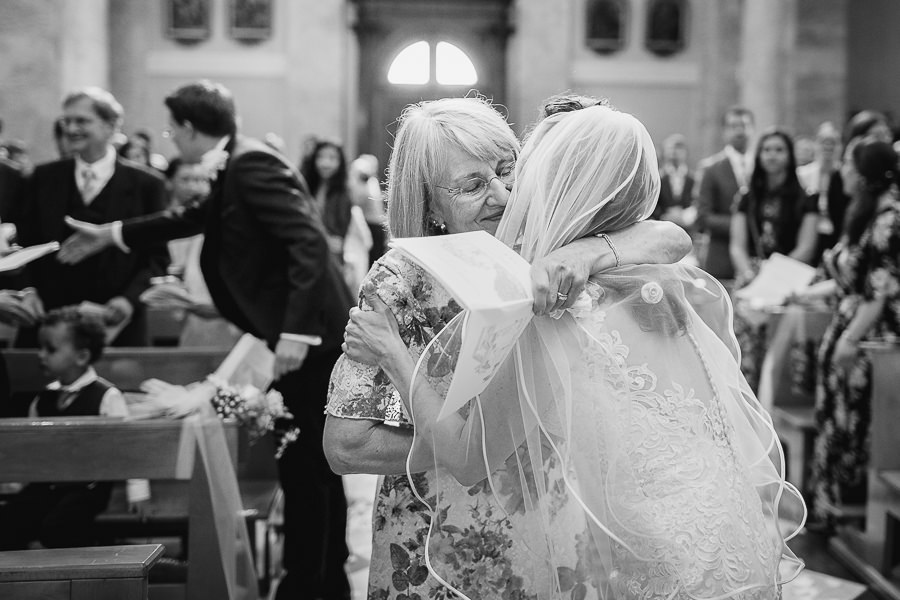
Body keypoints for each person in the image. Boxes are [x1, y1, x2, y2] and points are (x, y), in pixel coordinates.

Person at [323, 95, 698, 599]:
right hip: (441, 535)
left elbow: (669, 237)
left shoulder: (543, 248)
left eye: (506, 171)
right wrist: (485, 444)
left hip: (550, 519)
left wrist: (588, 251)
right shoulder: (400, 282)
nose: (501, 194)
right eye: (473, 185)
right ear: (429, 204)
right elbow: (344, 446)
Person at [57, 79, 355, 600]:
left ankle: (308, 583)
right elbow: (192, 217)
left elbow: (307, 241)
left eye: (173, 128)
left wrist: (296, 331)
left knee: (304, 461)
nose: (170, 136)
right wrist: (114, 234)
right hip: (299, 333)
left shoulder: (250, 163)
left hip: (308, 338)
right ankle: (323, 580)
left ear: (192, 129)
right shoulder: (236, 163)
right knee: (309, 458)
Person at [16, 87, 170, 347]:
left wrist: (128, 300)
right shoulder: (41, 178)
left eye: (82, 121)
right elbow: (23, 246)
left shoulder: (147, 184)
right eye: (67, 121)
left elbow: (157, 258)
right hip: (48, 323)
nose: (71, 129)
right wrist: (27, 291)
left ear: (110, 126)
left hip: (117, 328)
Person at [806, 138, 900, 528]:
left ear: (862, 176)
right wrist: (803, 292)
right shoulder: (866, 214)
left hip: (868, 338)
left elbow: (880, 291)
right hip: (851, 326)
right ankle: (830, 507)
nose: (841, 168)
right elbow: (850, 280)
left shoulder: (890, 221)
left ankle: (850, 514)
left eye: (847, 162)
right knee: (835, 416)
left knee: (853, 421)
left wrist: (849, 340)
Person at [0, 307, 150, 550]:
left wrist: (138, 490)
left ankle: (76, 570)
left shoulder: (106, 396)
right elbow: (31, 446)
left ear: (81, 356)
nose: (41, 355)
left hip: (88, 487)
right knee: (8, 522)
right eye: (40, 347)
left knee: (58, 527)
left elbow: (127, 445)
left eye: (50, 349)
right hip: (49, 483)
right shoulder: (44, 398)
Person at [729, 128, 819, 391]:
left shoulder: (806, 198)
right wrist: (750, 274)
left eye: (779, 150)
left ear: (790, 156)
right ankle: (745, 400)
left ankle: (777, 404)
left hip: (788, 281)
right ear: (759, 155)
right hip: (751, 278)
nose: (772, 155)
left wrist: (775, 275)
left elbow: (806, 247)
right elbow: (737, 245)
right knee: (744, 351)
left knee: (781, 355)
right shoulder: (747, 196)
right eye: (767, 150)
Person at [161, 157, 241, 347]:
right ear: (169, 182)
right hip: (184, 315)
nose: (194, 187)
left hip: (224, 320)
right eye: (186, 179)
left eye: (200, 180)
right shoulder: (165, 220)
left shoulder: (225, 225)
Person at [696, 105, 756, 282]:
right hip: (721, 259)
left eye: (744, 126)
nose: (739, 131)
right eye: (733, 126)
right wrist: (742, 226)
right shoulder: (711, 168)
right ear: (724, 131)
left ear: (752, 129)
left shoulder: (763, 166)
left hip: (756, 258)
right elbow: (703, 217)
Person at [299, 138, 353, 265]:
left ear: (340, 162)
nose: (325, 163)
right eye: (320, 157)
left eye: (332, 158)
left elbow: (338, 238)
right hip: (308, 250)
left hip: (329, 257)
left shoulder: (343, 193)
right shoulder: (308, 186)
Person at [652, 133, 696, 232]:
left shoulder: (694, 179)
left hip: (687, 230)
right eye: (670, 148)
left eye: (679, 148)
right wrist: (664, 216)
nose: (674, 152)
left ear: (686, 152)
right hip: (661, 229)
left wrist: (685, 215)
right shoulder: (657, 178)